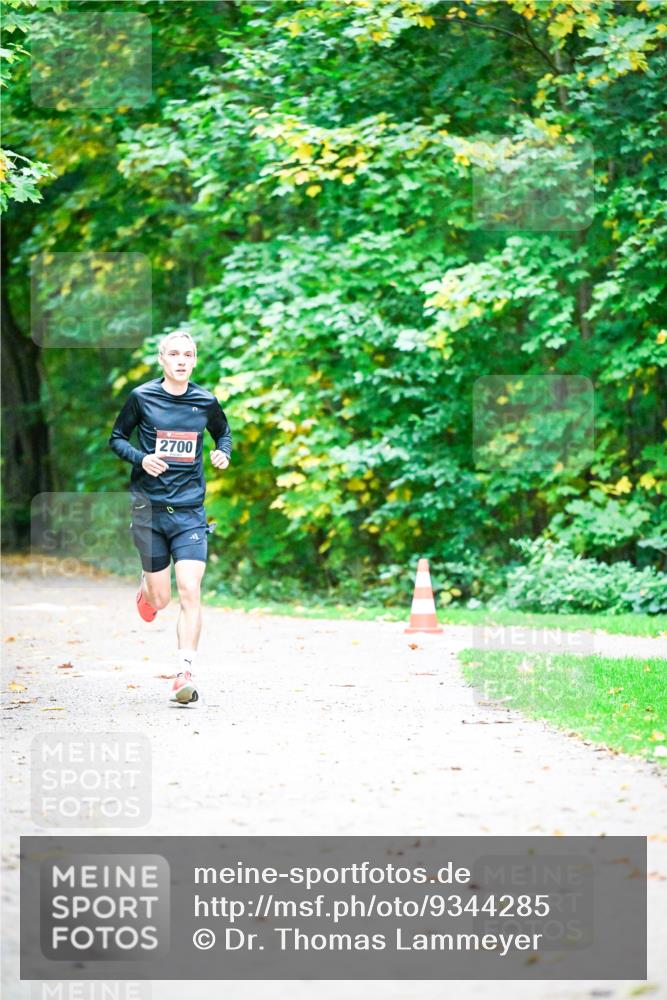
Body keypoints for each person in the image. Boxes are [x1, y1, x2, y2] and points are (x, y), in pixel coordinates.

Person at [109, 330, 232, 705]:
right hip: (149, 509)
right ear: (162, 359)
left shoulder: (205, 401)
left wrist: (223, 454)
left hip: (191, 512)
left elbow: (223, 434)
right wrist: (141, 458)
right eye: (174, 354)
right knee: (160, 600)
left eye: (188, 354)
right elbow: (117, 438)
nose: (181, 360)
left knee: (190, 590)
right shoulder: (141, 397)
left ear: (195, 360)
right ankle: (146, 585)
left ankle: (185, 672)